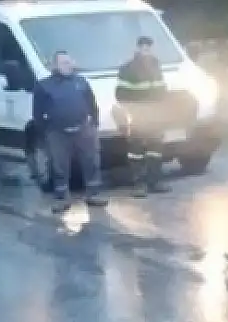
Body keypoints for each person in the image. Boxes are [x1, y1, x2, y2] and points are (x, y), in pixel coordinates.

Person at [32, 50, 107, 212]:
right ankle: (62, 198)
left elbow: (92, 104)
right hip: (57, 133)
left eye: (69, 62)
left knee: (91, 162)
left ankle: (93, 194)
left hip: (83, 130)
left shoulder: (81, 82)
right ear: (55, 66)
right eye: (64, 63)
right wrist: (46, 131)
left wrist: (94, 123)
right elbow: (37, 113)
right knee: (59, 166)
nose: (68, 65)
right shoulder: (44, 85)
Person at [115, 34, 171, 195]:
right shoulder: (127, 69)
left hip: (155, 115)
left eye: (149, 48)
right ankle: (139, 185)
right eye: (144, 48)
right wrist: (133, 111)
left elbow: (162, 90)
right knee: (136, 152)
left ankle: (155, 182)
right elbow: (120, 94)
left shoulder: (156, 66)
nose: (147, 51)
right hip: (138, 116)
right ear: (137, 49)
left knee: (155, 150)